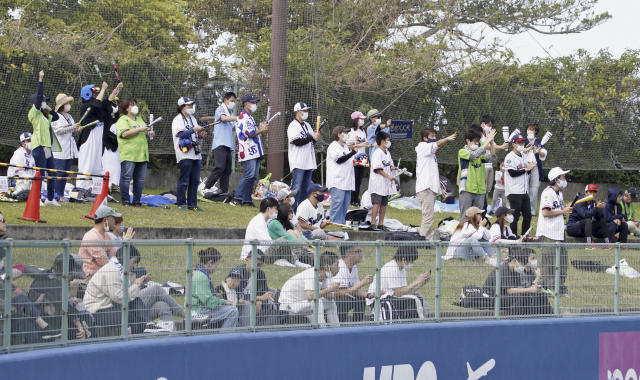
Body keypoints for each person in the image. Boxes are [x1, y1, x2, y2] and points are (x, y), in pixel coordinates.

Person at [77, 81, 122, 193]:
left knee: (97, 166)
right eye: (94, 93)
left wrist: (117, 88)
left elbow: (109, 99)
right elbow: (96, 104)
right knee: (87, 165)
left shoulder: (99, 103)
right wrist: (102, 89)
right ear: (88, 95)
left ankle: (95, 191)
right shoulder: (85, 106)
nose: (96, 95)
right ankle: (81, 189)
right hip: (89, 139)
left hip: (98, 137)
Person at [482, 247, 552, 316]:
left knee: (540, 295)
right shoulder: (504, 269)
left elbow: (519, 288)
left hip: (505, 296)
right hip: (492, 297)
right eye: (521, 264)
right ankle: (518, 320)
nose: (522, 267)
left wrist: (534, 288)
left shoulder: (515, 272)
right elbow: (509, 291)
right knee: (521, 297)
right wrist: (530, 289)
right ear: (514, 261)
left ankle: (549, 317)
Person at [366, 246, 431, 320]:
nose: (412, 264)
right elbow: (398, 293)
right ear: (404, 259)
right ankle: (419, 322)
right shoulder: (392, 268)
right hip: (378, 300)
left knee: (418, 296)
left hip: (390, 297)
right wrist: (417, 281)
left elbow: (405, 291)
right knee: (415, 299)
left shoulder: (402, 269)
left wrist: (421, 283)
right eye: (411, 261)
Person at [536, 167, 572, 296]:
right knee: (549, 262)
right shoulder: (547, 193)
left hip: (559, 232)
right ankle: (547, 287)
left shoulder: (560, 193)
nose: (565, 180)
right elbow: (546, 213)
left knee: (562, 262)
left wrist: (565, 209)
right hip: (548, 232)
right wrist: (564, 211)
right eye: (563, 177)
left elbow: (558, 211)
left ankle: (560, 287)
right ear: (556, 180)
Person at [415, 128, 457, 239]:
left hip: (430, 188)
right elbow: (437, 144)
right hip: (425, 188)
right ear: (425, 138)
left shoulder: (431, 154)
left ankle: (426, 239)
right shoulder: (422, 147)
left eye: (435, 136)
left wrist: (441, 190)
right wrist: (447, 139)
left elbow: (433, 174)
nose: (434, 138)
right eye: (432, 136)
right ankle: (423, 240)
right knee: (428, 217)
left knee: (428, 216)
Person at [279, 251, 340, 326]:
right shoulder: (312, 274)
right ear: (327, 266)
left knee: (331, 302)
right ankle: (322, 331)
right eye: (336, 264)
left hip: (303, 303)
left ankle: (336, 329)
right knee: (318, 302)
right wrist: (329, 289)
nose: (339, 268)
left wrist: (338, 293)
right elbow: (310, 296)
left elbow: (326, 295)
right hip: (289, 306)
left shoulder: (325, 276)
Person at [28, 70, 61, 206]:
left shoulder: (46, 116)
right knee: (40, 174)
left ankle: (50, 199)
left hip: (47, 148)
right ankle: (37, 198)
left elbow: (57, 116)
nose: (44, 103)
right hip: (38, 146)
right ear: (37, 102)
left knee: (52, 173)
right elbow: (39, 95)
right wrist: (40, 80)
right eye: (42, 101)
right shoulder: (34, 113)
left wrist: (49, 108)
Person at [230, 94, 268, 207]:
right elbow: (250, 134)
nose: (254, 105)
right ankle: (237, 198)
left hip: (254, 151)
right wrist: (261, 130)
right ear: (246, 104)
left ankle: (247, 199)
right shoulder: (243, 117)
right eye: (253, 102)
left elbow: (253, 131)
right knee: (249, 174)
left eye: (255, 102)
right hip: (247, 151)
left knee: (253, 176)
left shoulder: (250, 117)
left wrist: (260, 128)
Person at [116, 98, 154, 206]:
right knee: (126, 178)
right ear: (126, 108)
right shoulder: (123, 120)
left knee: (140, 179)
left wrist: (150, 133)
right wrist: (140, 129)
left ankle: (137, 201)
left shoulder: (139, 119)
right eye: (132, 105)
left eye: (135, 104)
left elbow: (146, 131)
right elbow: (124, 134)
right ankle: (126, 201)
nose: (135, 107)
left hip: (142, 154)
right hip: (129, 154)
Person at [228, 250, 281, 326]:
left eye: (260, 263)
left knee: (270, 303)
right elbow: (236, 296)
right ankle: (248, 330)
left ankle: (268, 327)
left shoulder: (261, 274)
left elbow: (264, 293)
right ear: (246, 260)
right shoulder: (237, 272)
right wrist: (258, 298)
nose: (258, 263)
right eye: (255, 260)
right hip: (238, 303)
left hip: (254, 301)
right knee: (247, 305)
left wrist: (259, 301)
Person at [191, 247, 239, 328]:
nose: (216, 269)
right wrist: (223, 301)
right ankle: (224, 339)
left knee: (230, 309)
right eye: (216, 265)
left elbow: (204, 296)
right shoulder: (201, 276)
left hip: (198, 308)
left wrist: (215, 297)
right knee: (233, 311)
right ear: (210, 263)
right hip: (198, 311)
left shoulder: (199, 272)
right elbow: (209, 302)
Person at [172, 96, 205, 211]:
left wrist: (200, 134)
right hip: (184, 153)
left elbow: (194, 133)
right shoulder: (177, 119)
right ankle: (181, 203)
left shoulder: (193, 119)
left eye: (192, 105)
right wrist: (194, 130)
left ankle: (193, 204)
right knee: (185, 179)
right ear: (182, 107)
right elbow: (180, 134)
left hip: (195, 153)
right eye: (188, 105)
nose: (191, 107)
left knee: (195, 180)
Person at [202, 92, 237, 196]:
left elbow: (233, 127)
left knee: (227, 170)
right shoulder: (220, 109)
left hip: (228, 145)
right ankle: (206, 187)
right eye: (231, 101)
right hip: (220, 143)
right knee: (220, 167)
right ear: (225, 100)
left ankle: (223, 191)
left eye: (234, 101)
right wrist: (239, 117)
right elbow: (223, 118)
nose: (233, 103)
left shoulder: (230, 113)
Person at [457, 126, 496, 220]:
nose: (477, 143)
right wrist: (487, 141)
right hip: (467, 189)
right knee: (465, 217)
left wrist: (491, 142)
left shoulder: (481, 153)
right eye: (475, 141)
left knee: (478, 218)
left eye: (478, 141)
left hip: (480, 190)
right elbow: (474, 156)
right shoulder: (462, 152)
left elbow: (493, 159)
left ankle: (477, 234)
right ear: (467, 140)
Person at [240, 197, 293, 265]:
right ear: (268, 209)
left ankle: (290, 260)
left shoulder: (264, 220)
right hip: (254, 256)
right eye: (275, 209)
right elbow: (268, 242)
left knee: (282, 241)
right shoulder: (258, 221)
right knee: (282, 240)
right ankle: (293, 261)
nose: (277, 211)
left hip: (260, 253)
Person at [287, 102, 319, 211]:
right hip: (298, 162)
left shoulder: (307, 125)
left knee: (305, 189)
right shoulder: (293, 125)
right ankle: (290, 211)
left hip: (308, 162)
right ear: (297, 111)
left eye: (307, 111)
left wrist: (314, 138)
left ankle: (300, 212)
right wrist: (311, 137)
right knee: (297, 188)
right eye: (304, 111)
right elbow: (296, 141)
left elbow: (310, 143)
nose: (306, 113)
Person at [504, 134, 536, 235]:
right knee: (515, 216)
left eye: (522, 142)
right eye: (519, 142)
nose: (521, 144)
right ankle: (513, 238)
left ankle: (524, 237)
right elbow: (512, 173)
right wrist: (526, 169)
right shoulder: (509, 157)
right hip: (514, 191)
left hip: (524, 191)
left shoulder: (524, 156)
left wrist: (530, 168)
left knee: (528, 215)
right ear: (513, 144)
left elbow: (527, 172)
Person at [333, 245, 374, 322]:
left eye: (360, 251)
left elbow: (355, 290)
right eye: (358, 252)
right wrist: (362, 283)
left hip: (345, 298)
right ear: (348, 253)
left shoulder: (354, 267)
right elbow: (340, 292)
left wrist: (369, 295)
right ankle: (340, 326)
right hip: (334, 299)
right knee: (344, 301)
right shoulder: (340, 266)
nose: (361, 254)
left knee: (361, 299)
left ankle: (357, 325)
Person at [51, 93, 80, 199]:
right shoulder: (56, 116)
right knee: (59, 174)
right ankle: (56, 195)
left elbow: (71, 131)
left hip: (70, 150)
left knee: (65, 174)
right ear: (62, 105)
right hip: (60, 150)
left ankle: (61, 194)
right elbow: (58, 131)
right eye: (66, 103)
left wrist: (76, 129)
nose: (68, 105)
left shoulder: (70, 116)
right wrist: (72, 127)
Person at [78, 204, 120, 278]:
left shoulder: (106, 235)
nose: (115, 222)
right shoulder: (91, 237)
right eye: (113, 219)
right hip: (91, 277)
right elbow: (104, 262)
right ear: (105, 220)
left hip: (104, 275)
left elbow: (115, 256)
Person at [327, 126, 356, 224]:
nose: (347, 135)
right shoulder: (333, 146)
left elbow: (348, 160)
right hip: (337, 181)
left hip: (347, 181)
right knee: (337, 203)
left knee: (345, 204)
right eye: (345, 133)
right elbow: (339, 160)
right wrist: (352, 153)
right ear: (339, 134)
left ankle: (341, 223)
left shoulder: (345, 147)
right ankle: (333, 223)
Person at [369, 132, 395, 231]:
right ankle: (372, 223)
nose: (389, 142)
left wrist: (394, 168)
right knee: (376, 203)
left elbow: (390, 165)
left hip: (386, 184)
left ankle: (380, 224)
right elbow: (378, 169)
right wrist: (388, 176)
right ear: (383, 141)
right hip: (377, 183)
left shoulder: (387, 153)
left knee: (384, 204)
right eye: (387, 140)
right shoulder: (377, 153)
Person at [479, 115, 508, 200]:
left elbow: (493, 148)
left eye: (491, 126)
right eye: (489, 125)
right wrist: (501, 147)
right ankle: (479, 208)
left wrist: (502, 146)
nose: (490, 127)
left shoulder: (489, 135)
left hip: (490, 165)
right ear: (483, 124)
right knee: (482, 188)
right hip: (482, 165)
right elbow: (484, 146)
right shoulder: (479, 134)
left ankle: (483, 210)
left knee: (488, 189)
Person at [524, 123, 547, 216]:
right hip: (524, 167)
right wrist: (528, 147)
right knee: (524, 189)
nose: (530, 131)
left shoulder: (539, 141)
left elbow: (543, 155)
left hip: (535, 167)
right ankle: (523, 209)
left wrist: (540, 151)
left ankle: (532, 211)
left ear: (535, 131)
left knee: (534, 189)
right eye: (528, 129)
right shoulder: (522, 140)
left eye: (532, 129)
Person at [347, 111, 369, 206]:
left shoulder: (363, 131)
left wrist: (366, 144)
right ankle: (352, 199)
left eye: (363, 119)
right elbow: (348, 146)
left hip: (363, 156)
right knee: (354, 178)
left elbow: (366, 143)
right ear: (356, 120)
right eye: (361, 119)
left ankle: (356, 198)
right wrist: (361, 144)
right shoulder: (350, 132)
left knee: (359, 179)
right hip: (354, 157)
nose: (362, 121)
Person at [102, 97, 121, 192]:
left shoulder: (119, 119)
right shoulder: (105, 117)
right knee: (108, 166)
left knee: (117, 168)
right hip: (108, 147)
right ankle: (107, 186)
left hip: (118, 148)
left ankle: (115, 186)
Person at [7, 132, 35, 196]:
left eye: (32, 140)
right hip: (16, 180)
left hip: (29, 179)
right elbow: (19, 172)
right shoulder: (18, 153)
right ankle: (14, 193)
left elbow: (35, 170)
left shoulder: (33, 153)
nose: (31, 142)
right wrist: (33, 178)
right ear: (22, 143)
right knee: (26, 185)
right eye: (28, 140)